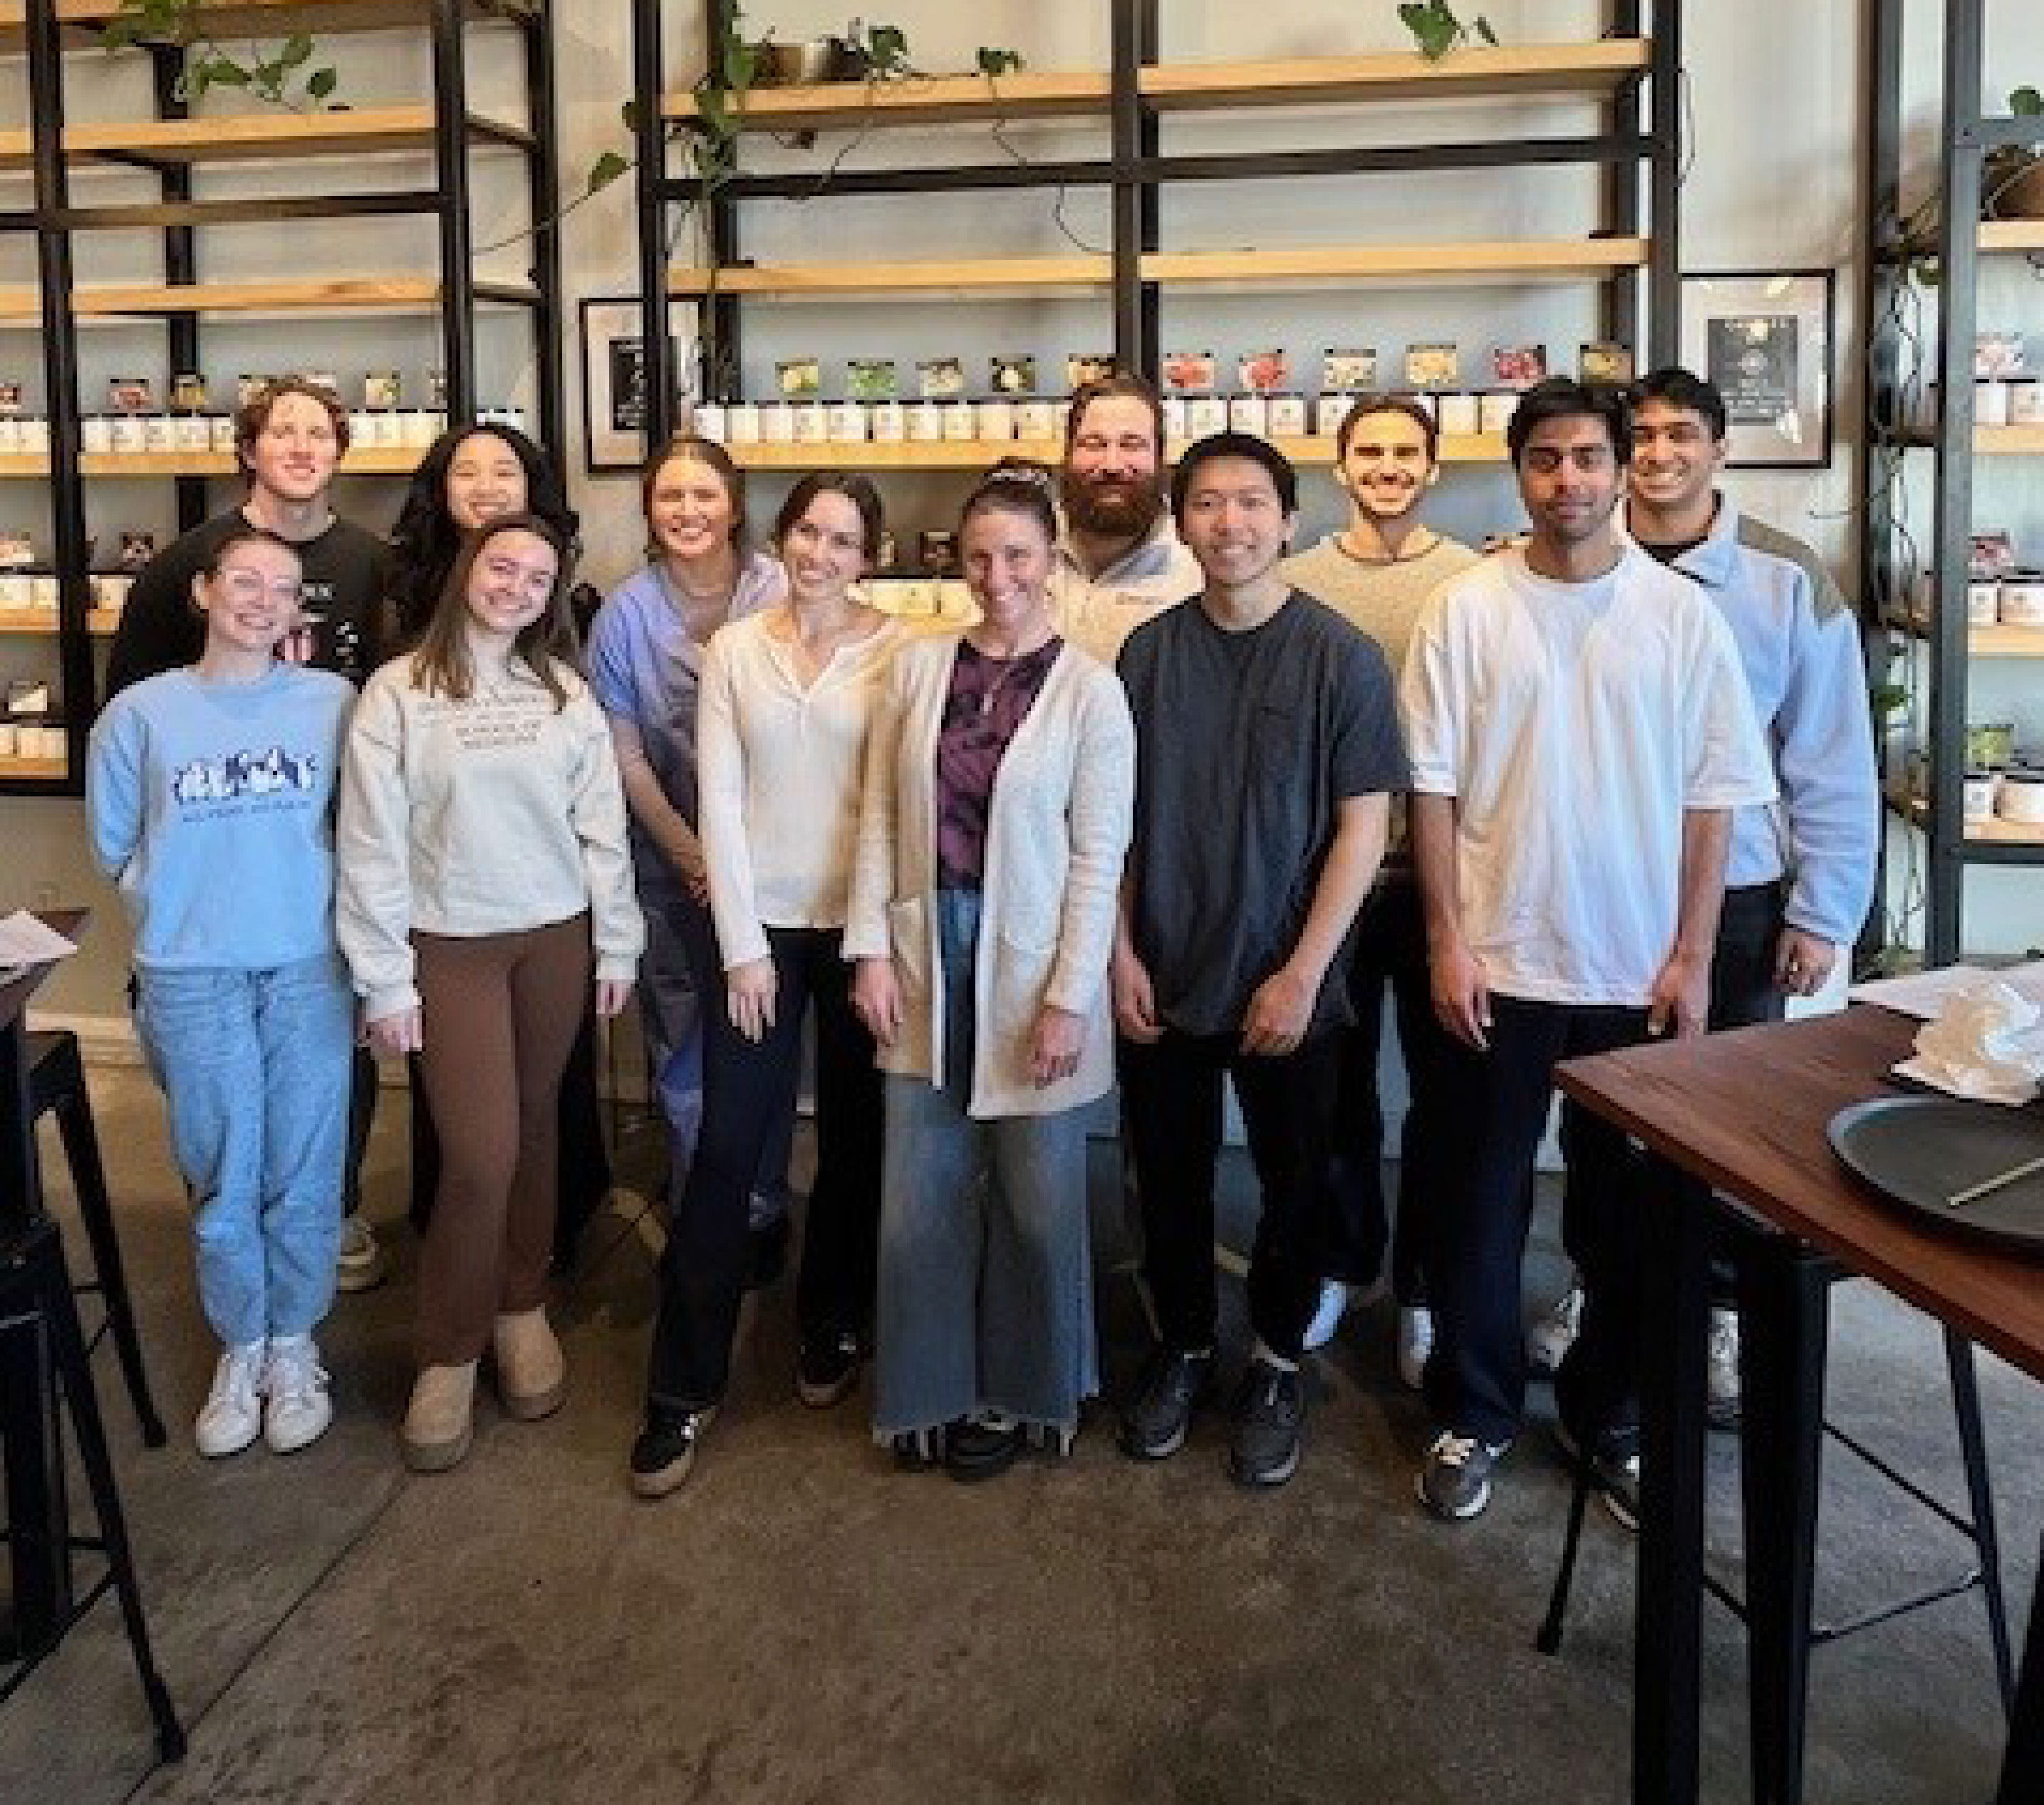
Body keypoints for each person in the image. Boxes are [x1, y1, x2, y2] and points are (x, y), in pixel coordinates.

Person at [1401, 378, 1775, 1524]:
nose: (1569, 479)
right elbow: (1431, 788)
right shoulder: (1464, 609)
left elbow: (1713, 799)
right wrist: (1447, 942)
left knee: (1626, 1219)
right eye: (1546, 459)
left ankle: (1606, 1407)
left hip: (1634, 969)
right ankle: (1474, 1411)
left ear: (1620, 470)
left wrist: (1693, 955)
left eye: (1588, 457)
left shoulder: (1679, 617)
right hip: (1497, 962)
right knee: (1480, 1196)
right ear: (1519, 472)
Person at [1522, 366, 1879, 1427]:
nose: (1660, 452)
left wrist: (1823, 914)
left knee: (1720, 1122)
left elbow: (1830, 754)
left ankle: (1715, 1302)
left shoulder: (1784, 577)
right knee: (1598, 1117)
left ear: (1722, 448)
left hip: (1738, 899)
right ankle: (1600, 1289)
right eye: (1641, 434)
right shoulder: (1581, 563)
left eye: (1684, 433)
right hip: (1609, 894)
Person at [1114, 432, 1406, 1488]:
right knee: (1172, 1182)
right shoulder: (1148, 656)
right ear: (1180, 521)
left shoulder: (1340, 656)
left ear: (1288, 520)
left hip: (1293, 980)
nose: (1228, 523)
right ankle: (1186, 1342)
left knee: (1298, 1185)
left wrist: (1300, 973)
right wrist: (1116, 949)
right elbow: (1116, 824)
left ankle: (1279, 1357)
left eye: (1249, 503)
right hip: (1165, 969)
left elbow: (1363, 828)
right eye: (1205, 503)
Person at [336, 514, 642, 1472]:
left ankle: (522, 1304)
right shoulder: (396, 694)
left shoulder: (562, 692)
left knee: (542, 1126)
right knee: (480, 1151)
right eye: (502, 565)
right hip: (449, 944)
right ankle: (448, 1348)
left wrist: (617, 945)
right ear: (468, 566)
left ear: (554, 595)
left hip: (552, 937)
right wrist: (383, 972)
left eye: (538, 576)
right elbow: (371, 844)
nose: (517, 585)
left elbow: (603, 829)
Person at [848, 464, 1136, 1478]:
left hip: (1031, 961)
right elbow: (884, 814)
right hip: (927, 949)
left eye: (1017, 554)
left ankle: (1027, 1392)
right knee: (920, 1184)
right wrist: (869, 946)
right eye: (978, 556)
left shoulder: (1091, 689)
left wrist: (1069, 997)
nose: (997, 575)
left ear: (1051, 558)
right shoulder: (919, 669)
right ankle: (926, 1385)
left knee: (1035, 1189)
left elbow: (1100, 857)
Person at [629, 473, 901, 1498]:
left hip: (860, 933)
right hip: (760, 934)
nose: (820, 553)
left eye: (841, 539)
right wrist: (741, 945)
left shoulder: (898, 654)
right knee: (728, 1146)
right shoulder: (738, 648)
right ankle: (681, 1385)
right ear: (780, 540)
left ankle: (830, 1320)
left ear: (867, 555)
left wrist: (871, 940)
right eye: (805, 533)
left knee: (856, 1140)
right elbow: (721, 798)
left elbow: (887, 808)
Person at [105, 375, 395, 1296]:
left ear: (340, 450)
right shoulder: (181, 566)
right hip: (202, 914)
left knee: (327, 1081)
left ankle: (332, 1206)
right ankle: (236, 1262)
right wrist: (176, 885)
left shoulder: (373, 565)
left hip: (312, 899)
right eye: (284, 431)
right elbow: (128, 757)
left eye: (320, 431)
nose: (303, 447)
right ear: (249, 447)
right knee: (217, 1106)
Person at [86, 528, 355, 1457]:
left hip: (306, 964)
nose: (261, 599)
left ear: (296, 612)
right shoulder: (141, 715)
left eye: (282, 589)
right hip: (191, 972)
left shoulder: (332, 703)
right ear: (203, 590)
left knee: (305, 1164)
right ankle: (240, 1346)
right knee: (222, 1168)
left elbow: (354, 824)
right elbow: (116, 842)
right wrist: (175, 914)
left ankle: (294, 1344)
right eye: (244, 581)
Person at [1282, 396, 1483, 1380]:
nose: (1389, 466)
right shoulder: (1294, 580)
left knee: (1447, 1099)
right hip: (1328, 883)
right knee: (1335, 1093)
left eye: (1407, 452)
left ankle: (1426, 1288)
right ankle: (1339, 1260)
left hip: (1439, 881)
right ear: (1339, 467)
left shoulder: (1475, 580)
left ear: (1433, 468)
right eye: (1370, 451)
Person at [385, 423, 613, 1269]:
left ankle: (533, 1264)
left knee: (542, 1098)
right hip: (442, 903)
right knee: (468, 1122)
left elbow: (590, 785)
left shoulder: (561, 611)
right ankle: (462, 1272)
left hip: (546, 899)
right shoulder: (402, 608)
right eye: (465, 470)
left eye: (504, 469)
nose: (484, 484)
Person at [587, 436, 797, 1289]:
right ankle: (701, 1200)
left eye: (703, 494)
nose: (687, 511)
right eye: (669, 496)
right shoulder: (624, 617)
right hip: (669, 864)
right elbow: (625, 755)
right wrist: (690, 852)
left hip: (777, 860)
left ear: (735, 502)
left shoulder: (777, 586)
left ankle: (762, 1205)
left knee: (764, 1040)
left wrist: (740, 864)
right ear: (648, 509)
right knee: (680, 1041)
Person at [1050, 372, 1201, 667]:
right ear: (1067, 455)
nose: (1112, 465)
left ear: (1160, 458)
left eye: (1132, 445)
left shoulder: (1196, 575)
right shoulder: (1025, 554)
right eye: (1094, 444)